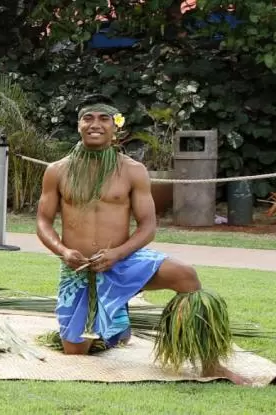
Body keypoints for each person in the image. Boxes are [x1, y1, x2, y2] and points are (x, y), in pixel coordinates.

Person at [35, 94, 245, 384]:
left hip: (123, 261)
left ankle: (210, 363)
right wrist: (62, 251)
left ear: (115, 127)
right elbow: (43, 222)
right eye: (88, 118)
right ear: (78, 125)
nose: (95, 124)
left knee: (185, 275)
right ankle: (116, 324)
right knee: (75, 351)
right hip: (78, 269)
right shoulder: (57, 170)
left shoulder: (133, 170)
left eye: (103, 118)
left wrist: (118, 254)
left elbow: (148, 226)